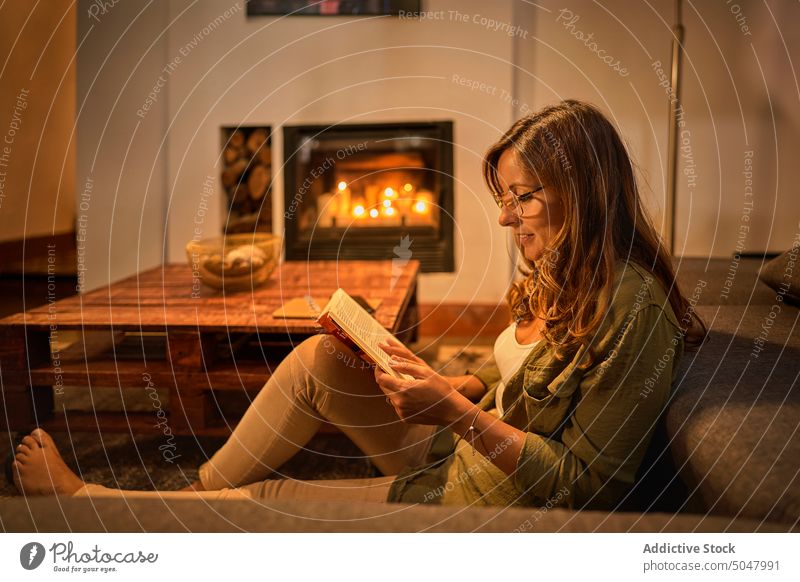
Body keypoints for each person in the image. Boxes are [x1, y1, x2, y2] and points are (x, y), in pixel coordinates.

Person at [11, 100, 703, 509]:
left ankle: (96, 506)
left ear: (584, 193)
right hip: (458, 445)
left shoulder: (631, 314)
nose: (503, 218)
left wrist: (453, 411)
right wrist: (457, 384)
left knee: (274, 504)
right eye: (505, 196)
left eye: (523, 196)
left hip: (479, 499)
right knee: (320, 360)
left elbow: (588, 490)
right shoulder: (570, 271)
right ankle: (191, 501)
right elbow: (515, 374)